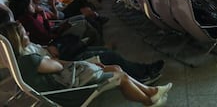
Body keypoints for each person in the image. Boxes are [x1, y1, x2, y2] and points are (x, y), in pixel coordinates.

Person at [0, 22, 172, 107]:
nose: (28, 33)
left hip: (62, 84)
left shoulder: (16, 61)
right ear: (18, 39)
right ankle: (150, 100)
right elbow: (59, 66)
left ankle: (151, 92)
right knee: (120, 77)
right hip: (68, 92)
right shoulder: (30, 61)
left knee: (116, 69)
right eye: (24, 33)